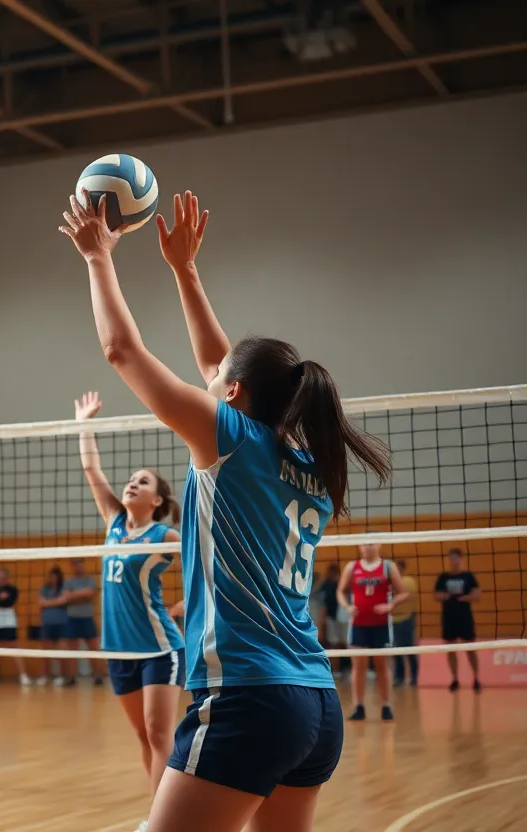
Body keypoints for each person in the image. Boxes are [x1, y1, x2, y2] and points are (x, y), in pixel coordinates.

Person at [60, 189, 391, 831]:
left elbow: (122, 352)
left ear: (233, 396)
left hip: (248, 697)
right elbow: (221, 363)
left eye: (217, 381)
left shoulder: (232, 444)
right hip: (315, 704)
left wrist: (98, 257)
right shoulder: (310, 467)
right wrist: (185, 271)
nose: (205, 374)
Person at [76, 391, 186, 815]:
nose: (132, 483)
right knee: (144, 738)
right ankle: (158, 811)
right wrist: (85, 423)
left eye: (143, 481)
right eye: (132, 479)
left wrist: (185, 606)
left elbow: (207, 566)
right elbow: (91, 467)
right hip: (119, 650)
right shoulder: (115, 521)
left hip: (160, 648)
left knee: (161, 737)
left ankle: (160, 820)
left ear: (157, 500)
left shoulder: (165, 536)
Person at [335, 544, 409, 721]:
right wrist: (347, 606)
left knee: (382, 666)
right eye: (364, 543)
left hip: (381, 624)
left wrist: (390, 605)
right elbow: (340, 591)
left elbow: (403, 593)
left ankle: (386, 706)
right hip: (358, 624)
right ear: (359, 546)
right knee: (358, 666)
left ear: (379, 545)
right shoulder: (352, 567)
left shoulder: (387, 566)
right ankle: (358, 706)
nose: (368, 547)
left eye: (372, 543)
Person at [434, 548, 482, 692]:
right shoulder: (443, 577)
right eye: (451, 558)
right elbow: (436, 595)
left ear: (461, 559)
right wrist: (449, 596)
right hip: (448, 618)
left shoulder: (468, 576)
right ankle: (454, 679)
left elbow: (477, 595)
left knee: (470, 649)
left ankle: (476, 678)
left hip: (465, 617)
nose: (453, 561)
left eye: (456, 558)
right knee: (451, 649)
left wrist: (462, 598)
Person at [65, 557, 105, 685]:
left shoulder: (90, 579)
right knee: (72, 649)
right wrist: (82, 594)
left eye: (79, 563)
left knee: (93, 647)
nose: (78, 566)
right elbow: (66, 597)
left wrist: (74, 595)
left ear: (83, 564)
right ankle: (72, 677)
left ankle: (98, 676)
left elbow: (90, 593)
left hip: (87, 618)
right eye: (75, 564)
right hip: (72, 618)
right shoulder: (69, 581)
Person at [35, 566, 71, 685]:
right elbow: (40, 603)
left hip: (62, 623)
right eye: (51, 576)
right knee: (46, 652)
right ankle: (45, 676)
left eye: (55, 576)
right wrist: (56, 601)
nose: (53, 579)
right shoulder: (44, 588)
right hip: (47, 623)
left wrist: (48, 602)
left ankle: (61, 677)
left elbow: (64, 600)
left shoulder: (64, 587)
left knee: (62, 651)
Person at [391, 559, 419, 686]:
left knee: (409, 648)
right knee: (395, 650)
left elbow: (406, 596)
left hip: (406, 619)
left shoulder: (408, 581)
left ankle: (414, 677)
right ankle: (399, 677)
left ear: (402, 569)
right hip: (392, 620)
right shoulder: (389, 581)